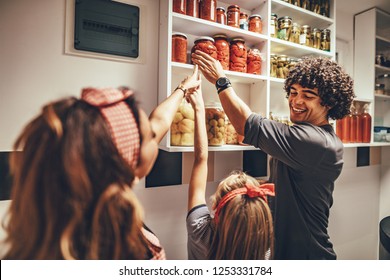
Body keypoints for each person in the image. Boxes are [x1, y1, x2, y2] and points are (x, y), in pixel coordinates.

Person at [2, 66, 201, 260]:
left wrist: (182, 89)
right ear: (124, 163)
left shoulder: (41, 235)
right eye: (150, 136)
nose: (154, 133)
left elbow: (159, 121)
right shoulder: (132, 253)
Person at [192, 51, 355, 260]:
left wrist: (221, 81)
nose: (296, 100)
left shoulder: (313, 141)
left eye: (308, 95)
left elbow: (244, 124)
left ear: (329, 103)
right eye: (293, 92)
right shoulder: (316, 137)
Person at [185, 78, 275, 259]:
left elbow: (201, 160)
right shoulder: (263, 249)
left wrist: (198, 108)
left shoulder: (201, 231)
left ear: (215, 208)